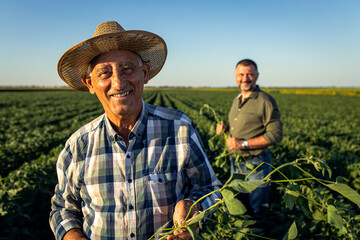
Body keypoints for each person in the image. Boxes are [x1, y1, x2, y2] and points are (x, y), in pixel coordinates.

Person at [50, 21, 221, 240]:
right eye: (104, 73)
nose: (119, 83)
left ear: (145, 73)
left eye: (127, 69)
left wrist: (192, 207)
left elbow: (210, 188)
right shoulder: (78, 145)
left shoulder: (179, 129)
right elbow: (63, 208)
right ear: (90, 84)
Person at [216, 59, 282, 219]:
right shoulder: (237, 99)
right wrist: (225, 129)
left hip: (256, 165)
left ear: (257, 76)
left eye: (250, 74)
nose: (245, 78)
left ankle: (259, 233)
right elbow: (242, 127)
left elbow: (275, 135)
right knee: (240, 207)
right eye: (241, 74)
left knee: (257, 209)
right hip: (236, 163)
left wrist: (243, 144)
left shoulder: (265, 101)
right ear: (235, 76)